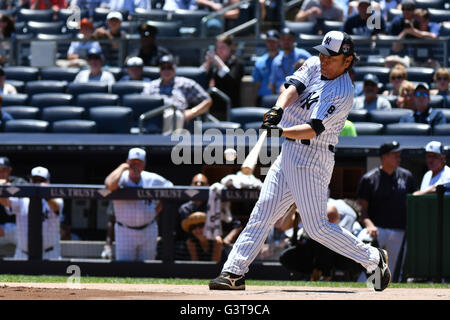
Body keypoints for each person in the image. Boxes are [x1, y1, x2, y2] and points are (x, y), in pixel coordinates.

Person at [209, 31, 391, 292]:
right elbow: (292, 88)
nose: (324, 59)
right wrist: (277, 110)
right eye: (323, 53)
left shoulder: (343, 91)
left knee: (316, 228)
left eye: (331, 56)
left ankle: (373, 258)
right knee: (263, 210)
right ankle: (234, 272)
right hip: (289, 151)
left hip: (312, 156)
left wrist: (279, 131)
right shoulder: (316, 63)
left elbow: (312, 128)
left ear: (348, 60)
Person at [357, 141, 417, 282]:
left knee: (394, 271)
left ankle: (390, 295)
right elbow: (362, 210)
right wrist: (369, 225)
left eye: (399, 154)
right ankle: (364, 289)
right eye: (394, 154)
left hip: (399, 231)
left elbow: (414, 199)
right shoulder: (369, 178)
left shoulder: (406, 176)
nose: (398, 157)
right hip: (377, 230)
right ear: (384, 157)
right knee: (371, 267)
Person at [104, 147, 174, 261]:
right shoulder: (120, 178)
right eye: (133, 163)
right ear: (127, 162)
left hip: (148, 229)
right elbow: (110, 185)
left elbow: (171, 189)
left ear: (144, 164)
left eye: (139, 163)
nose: (136, 166)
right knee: (124, 267)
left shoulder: (151, 178)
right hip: (125, 230)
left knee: (148, 267)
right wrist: (122, 167)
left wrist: (156, 210)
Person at [279, 198, 363, 281]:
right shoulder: (310, 205)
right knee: (286, 257)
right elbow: (284, 226)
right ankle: (312, 275)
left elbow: (331, 218)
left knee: (323, 239)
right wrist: (294, 207)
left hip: (341, 254)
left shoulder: (342, 211)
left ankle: (325, 276)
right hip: (314, 248)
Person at [0, 166, 63, 260]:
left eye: (42, 180)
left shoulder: (56, 198)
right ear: (30, 181)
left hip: (49, 254)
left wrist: (44, 191)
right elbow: (6, 202)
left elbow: (55, 206)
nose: (38, 183)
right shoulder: (22, 197)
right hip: (22, 254)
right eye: (34, 179)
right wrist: (2, 188)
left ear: (48, 182)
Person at [142, 54, 213, 134]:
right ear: (159, 70)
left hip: (177, 114)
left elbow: (207, 100)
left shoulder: (185, 83)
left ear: (174, 68)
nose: (166, 71)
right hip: (154, 116)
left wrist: (193, 111)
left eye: (169, 67)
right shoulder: (151, 86)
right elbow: (142, 104)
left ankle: (167, 145)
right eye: (163, 68)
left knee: (173, 115)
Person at [202, 34, 245, 116]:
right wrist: (207, 63)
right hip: (213, 108)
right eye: (218, 47)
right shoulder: (213, 64)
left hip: (230, 108)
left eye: (223, 47)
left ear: (230, 47)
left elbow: (231, 81)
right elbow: (201, 77)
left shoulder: (237, 63)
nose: (219, 50)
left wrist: (219, 63)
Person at [268, 27, 311, 95]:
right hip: (279, 97)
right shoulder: (276, 60)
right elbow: (273, 84)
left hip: (299, 96)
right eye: (283, 39)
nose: (286, 42)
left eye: (289, 39)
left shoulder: (304, 55)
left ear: (294, 40)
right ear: (279, 41)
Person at [0, 156, 27, 257]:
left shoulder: (18, 182)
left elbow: (16, 193)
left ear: (9, 170)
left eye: (3, 170)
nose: (1, 174)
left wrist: (4, 186)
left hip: (18, 228)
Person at [252, 29, 280, 106]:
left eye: (273, 41)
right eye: (269, 41)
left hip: (281, 98)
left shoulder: (285, 59)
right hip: (264, 99)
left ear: (278, 42)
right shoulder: (260, 61)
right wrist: (254, 103)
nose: (271, 44)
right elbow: (256, 84)